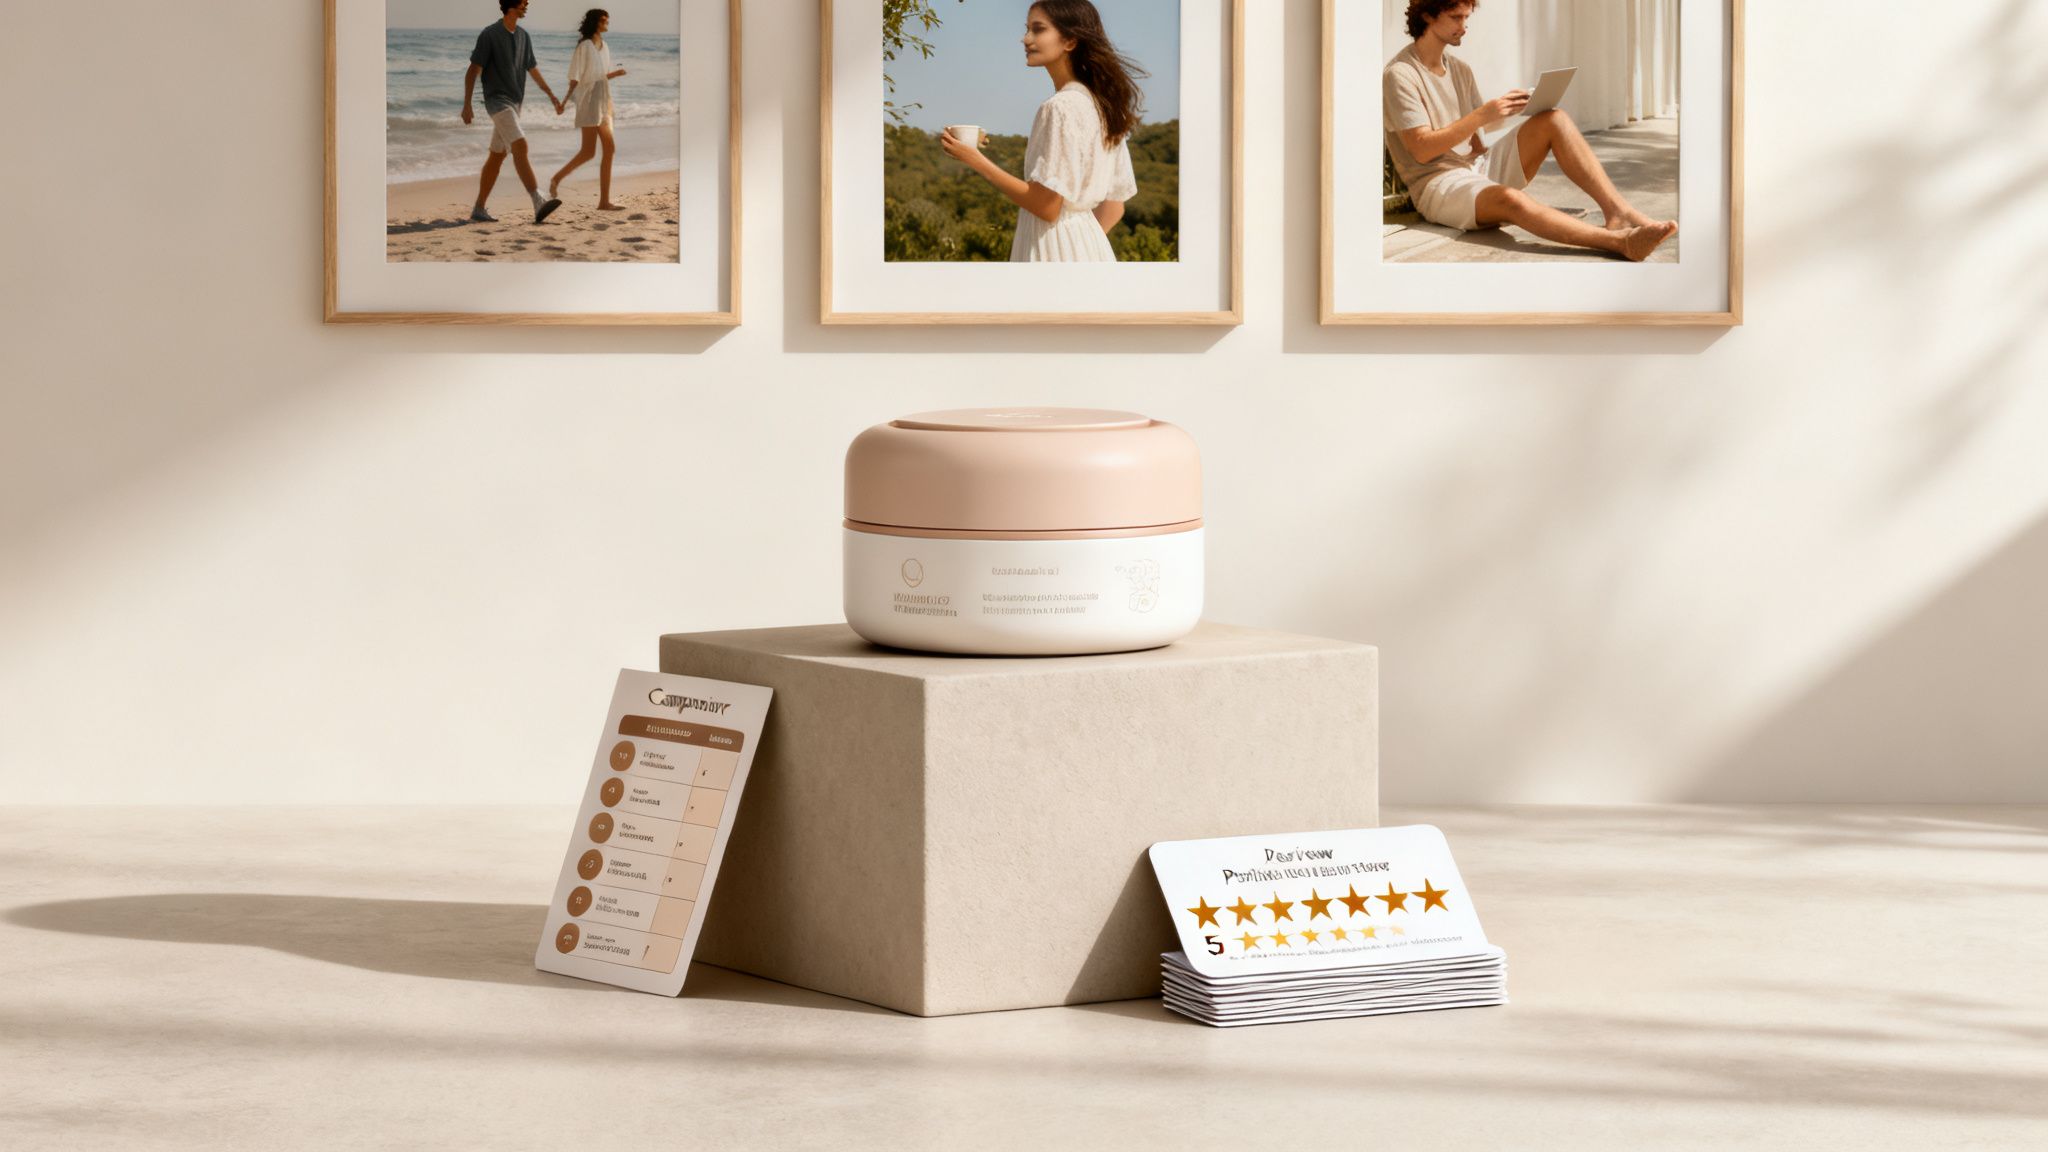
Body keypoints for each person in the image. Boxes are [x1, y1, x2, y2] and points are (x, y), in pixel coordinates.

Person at [1384, 0, 1677, 261]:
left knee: (1554, 118)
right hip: (1439, 185)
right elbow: (1421, 150)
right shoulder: (1400, 74)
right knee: (1511, 199)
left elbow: (1475, 138)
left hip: (1475, 166)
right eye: (1456, 18)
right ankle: (1619, 242)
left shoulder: (1460, 69)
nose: (1464, 27)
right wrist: (1481, 115)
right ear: (1427, 16)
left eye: (1466, 18)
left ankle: (1618, 212)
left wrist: (1513, 109)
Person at [938, 0, 1142, 262]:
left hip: (1050, 254)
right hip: (1093, 252)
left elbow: (1046, 206)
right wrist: (1079, 248)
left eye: (1038, 29)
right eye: (1027, 29)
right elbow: (1114, 206)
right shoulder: (1103, 108)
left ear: (1070, 41)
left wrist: (975, 159)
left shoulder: (1059, 108)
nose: (1026, 39)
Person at [461, 0, 565, 224]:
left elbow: (532, 68)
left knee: (496, 157)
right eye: (523, 1)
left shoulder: (523, 36)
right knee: (520, 144)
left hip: (515, 104)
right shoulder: (490, 34)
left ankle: (479, 208)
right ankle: (538, 200)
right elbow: (473, 71)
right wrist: (467, 104)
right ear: (511, 4)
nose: (527, 4)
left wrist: (550, 94)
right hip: (497, 102)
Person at [549, 9, 631, 209]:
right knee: (588, 152)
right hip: (588, 102)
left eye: (607, 20)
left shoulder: (605, 47)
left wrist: (616, 74)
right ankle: (556, 179)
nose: (607, 23)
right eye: (604, 20)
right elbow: (575, 78)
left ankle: (604, 201)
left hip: (605, 101)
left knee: (608, 149)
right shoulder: (584, 46)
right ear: (595, 23)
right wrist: (564, 102)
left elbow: (600, 76)